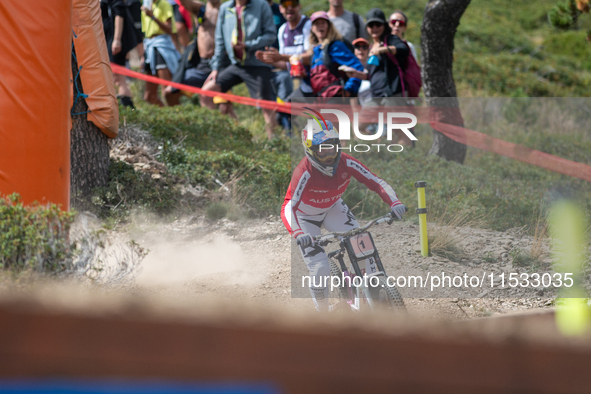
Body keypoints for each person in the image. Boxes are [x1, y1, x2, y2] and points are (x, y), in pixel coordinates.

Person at [281, 120, 407, 312]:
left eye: (332, 148)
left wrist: (394, 202)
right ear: (310, 150)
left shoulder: (346, 161)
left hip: (333, 208)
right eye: (322, 151)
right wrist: (298, 232)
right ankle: (323, 313)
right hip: (305, 218)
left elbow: (376, 182)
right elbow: (288, 206)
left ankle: (373, 295)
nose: (329, 155)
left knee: (363, 247)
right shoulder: (304, 171)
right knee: (320, 267)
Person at [201, 0, 278, 139]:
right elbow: (219, 40)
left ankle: (275, 144)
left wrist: (248, 45)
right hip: (236, 65)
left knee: (267, 106)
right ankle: (213, 137)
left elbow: (271, 34)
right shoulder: (225, 8)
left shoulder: (261, 5)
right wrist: (215, 69)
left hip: (258, 64)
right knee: (206, 93)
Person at [164, 0, 236, 118]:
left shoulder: (227, 10)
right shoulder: (200, 9)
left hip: (221, 64)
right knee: (169, 92)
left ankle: (231, 132)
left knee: (225, 107)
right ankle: (180, 122)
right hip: (201, 65)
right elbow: (183, 2)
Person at [255, 0, 311, 130]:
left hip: (316, 84)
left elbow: (310, 57)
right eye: (285, 5)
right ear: (280, 9)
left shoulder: (307, 25)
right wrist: (269, 60)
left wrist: (281, 57)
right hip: (303, 86)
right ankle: (290, 142)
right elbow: (287, 64)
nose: (289, 8)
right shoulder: (282, 30)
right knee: (285, 112)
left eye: (293, 4)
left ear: (299, 6)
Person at [305, 11, 365, 98]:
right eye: (317, 23)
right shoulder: (315, 51)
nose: (320, 26)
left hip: (336, 98)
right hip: (321, 100)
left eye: (323, 23)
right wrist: (304, 76)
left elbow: (357, 67)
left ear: (329, 26)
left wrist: (349, 90)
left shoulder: (335, 46)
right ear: (312, 28)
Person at [141, 0, 181, 106]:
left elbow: (170, 29)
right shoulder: (146, 5)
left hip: (162, 47)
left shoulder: (164, 4)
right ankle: (167, 117)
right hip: (149, 48)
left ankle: (177, 117)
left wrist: (152, 16)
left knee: (167, 91)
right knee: (149, 96)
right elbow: (146, 32)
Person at [101, 0, 139, 108]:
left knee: (118, 78)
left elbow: (119, 14)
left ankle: (130, 111)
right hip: (106, 40)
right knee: (114, 79)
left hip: (115, 41)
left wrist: (117, 40)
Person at [352, 37, 371, 105]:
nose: (361, 49)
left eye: (364, 47)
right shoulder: (349, 70)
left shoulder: (374, 67)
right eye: (357, 47)